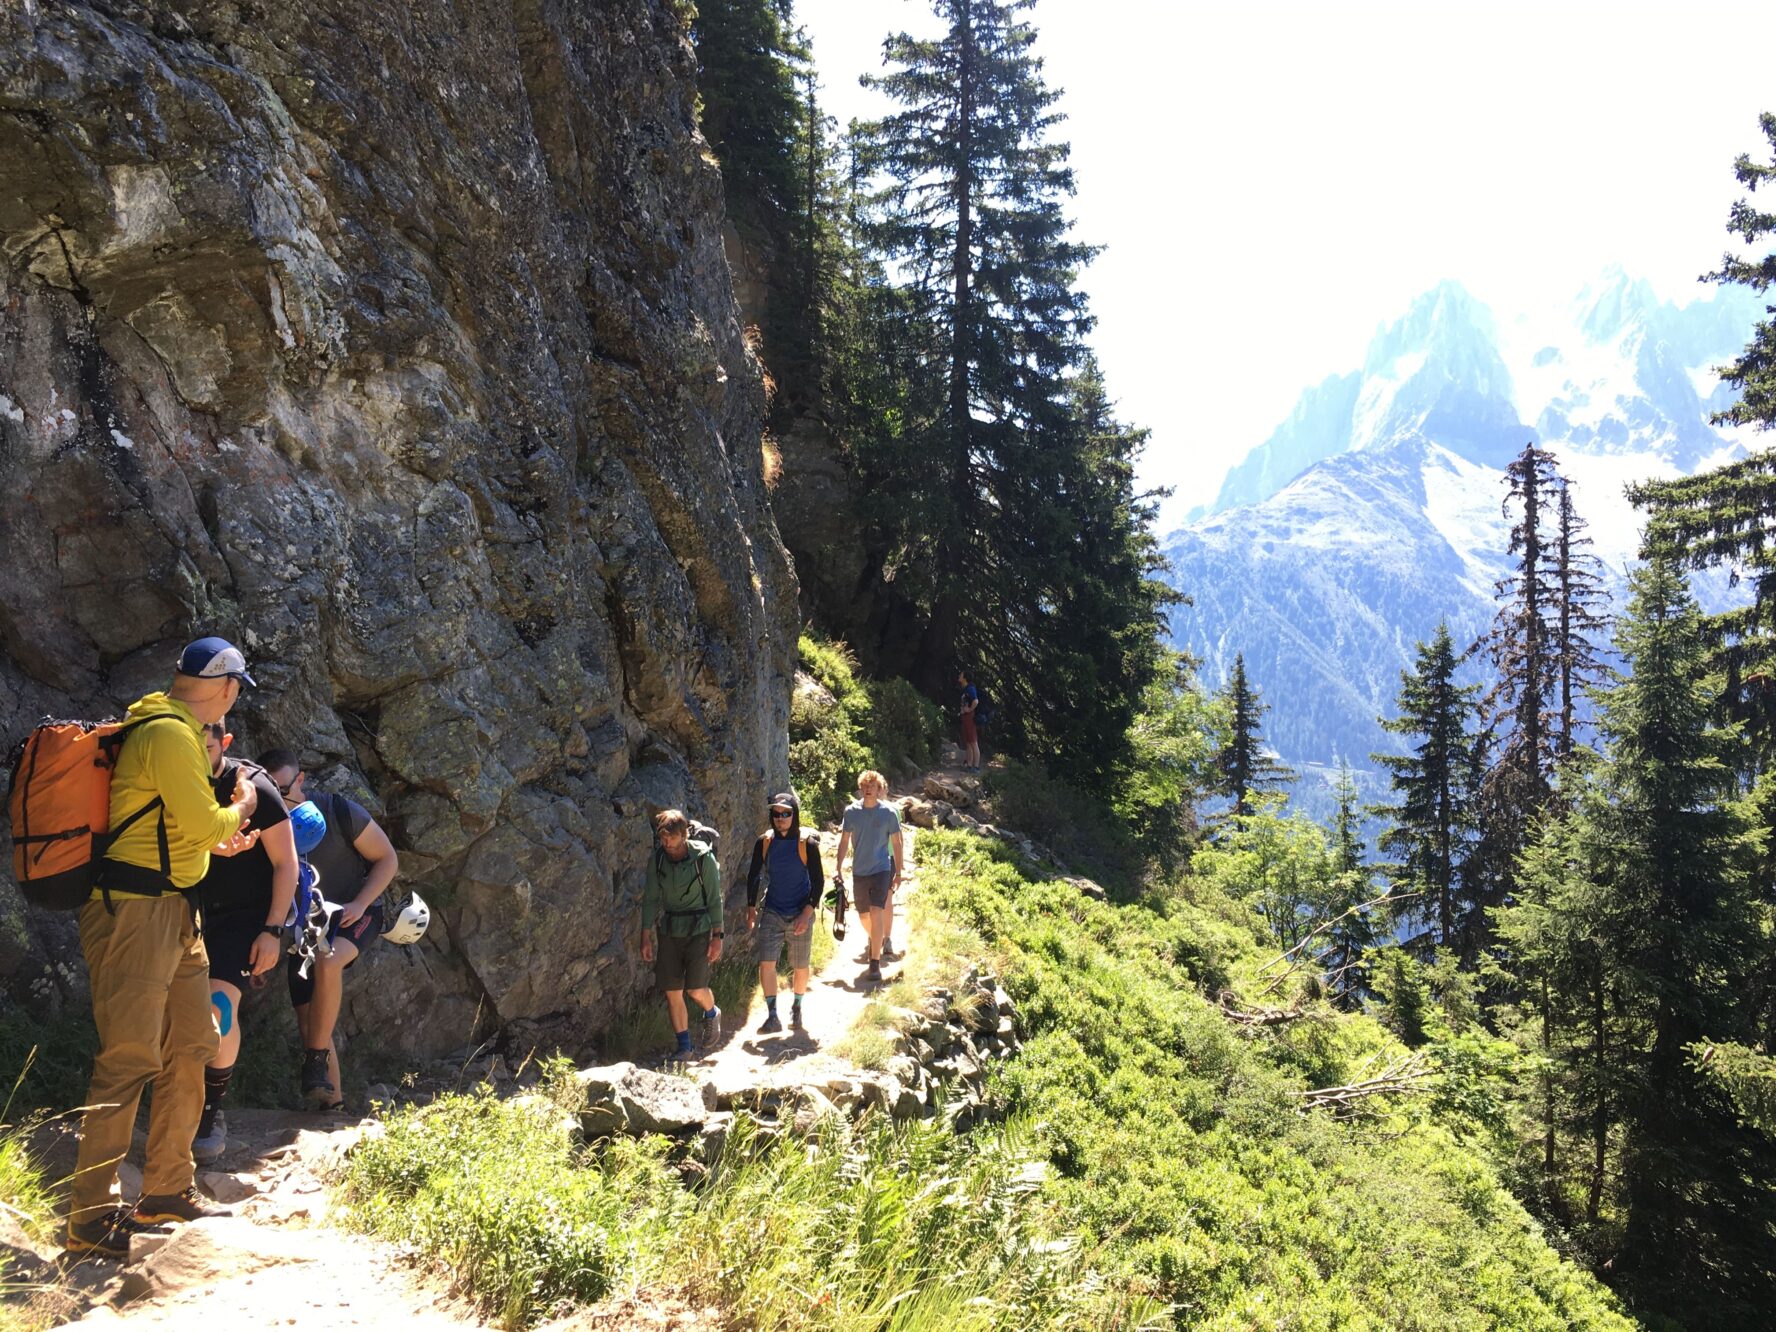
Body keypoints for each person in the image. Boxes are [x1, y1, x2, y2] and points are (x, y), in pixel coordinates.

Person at [66, 636, 259, 1258]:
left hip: (175, 909)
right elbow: (205, 822)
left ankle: (165, 1190)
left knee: (193, 1044)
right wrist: (242, 808)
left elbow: (177, 829)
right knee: (129, 1057)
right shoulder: (170, 734)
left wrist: (214, 841)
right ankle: (90, 1217)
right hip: (135, 913)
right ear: (227, 688)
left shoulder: (163, 727)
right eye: (237, 691)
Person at [260, 751, 399, 1110]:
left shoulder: (339, 812)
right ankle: (331, 1105)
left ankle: (316, 1059)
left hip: (358, 913)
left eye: (285, 788)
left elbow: (387, 858)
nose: (280, 797)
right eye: (271, 792)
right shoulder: (266, 829)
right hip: (307, 929)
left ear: (301, 780)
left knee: (329, 960)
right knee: (310, 1017)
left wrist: (361, 903)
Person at [191, 725, 296, 1162]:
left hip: (243, 917)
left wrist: (271, 931)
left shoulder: (257, 790)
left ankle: (211, 1113)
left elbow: (286, 863)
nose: (199, 756)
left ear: (226, 743)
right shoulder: (174, 780)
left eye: (209, 747)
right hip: (188, 907)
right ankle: (180, 1102)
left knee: (219, 1007)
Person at [639, 809, 723, 1058]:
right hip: (670, 929)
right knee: (672, 990)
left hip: (699, 927)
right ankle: (684, 1046)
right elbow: (651, 898)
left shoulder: (703, 859)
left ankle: (712, 1012)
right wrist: (645, 935)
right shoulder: (658, 860)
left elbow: (715, 900)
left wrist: (717, 937)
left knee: (695, 989)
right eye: (662, 837)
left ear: (683, 835)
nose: (666, 842)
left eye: (671, 837)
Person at [745, 792, 822, 1034]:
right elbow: (754, 875)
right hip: (773, 910)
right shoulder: (764, 842)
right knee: (766, 963)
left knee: (800, 965)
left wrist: (806, 913)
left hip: (801, 910)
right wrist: (751, 908)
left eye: (786, 813)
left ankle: (797, 1007)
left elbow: (818, 882)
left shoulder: (807, 843)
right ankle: (772, 1016)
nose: (780, 818)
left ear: (794, 815)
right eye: (776, 814)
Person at [832, 771, 904, 985]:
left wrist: (899, 872)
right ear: (861, 788)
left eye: (872, 785)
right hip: (859, 870)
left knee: (876, 910)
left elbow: (897, 843)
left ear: (878, 788)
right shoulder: (851, 812)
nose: (868, 788)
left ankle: (874, 963)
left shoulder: (889, 813)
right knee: (863, 915)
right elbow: (844, 841)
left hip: (881, 869)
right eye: (865, 785)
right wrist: (838, 866)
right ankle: (877, 938)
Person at [958, 669, 981, 772]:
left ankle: (976, 767)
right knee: (968, 742)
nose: (959, 676)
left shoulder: (970, 688)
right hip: (965, 717)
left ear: (965, 678)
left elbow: (975, 701)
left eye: (961, 675)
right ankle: (969, 765)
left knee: (973, 742)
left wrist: (970, 709)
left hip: (969, 717)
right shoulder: (966, 688)